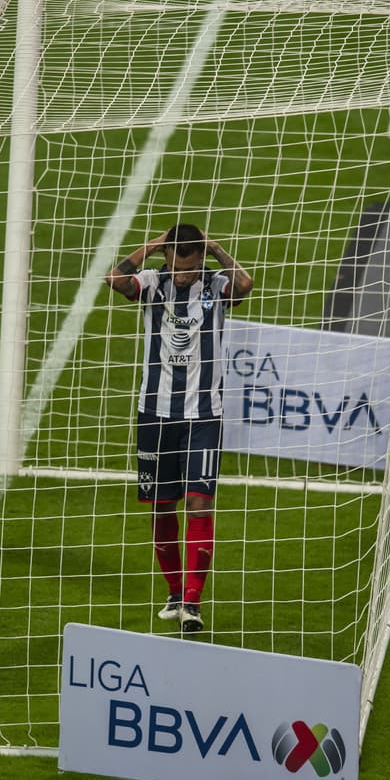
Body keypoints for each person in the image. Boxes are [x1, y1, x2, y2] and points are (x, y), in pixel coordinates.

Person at [105, 223, 253, 633]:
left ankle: (192, 601)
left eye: (191, 266)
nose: (184, 274)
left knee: (200, 503)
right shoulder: (153, 282)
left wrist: (217, 248)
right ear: (166, 257)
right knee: (160, 507)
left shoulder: (216, 283)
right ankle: (174, 591)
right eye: (177, 265)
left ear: (200, 258)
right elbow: (115, 279)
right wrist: (152, 245)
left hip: (205, 414)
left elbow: (245, 283)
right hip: (154, 412)